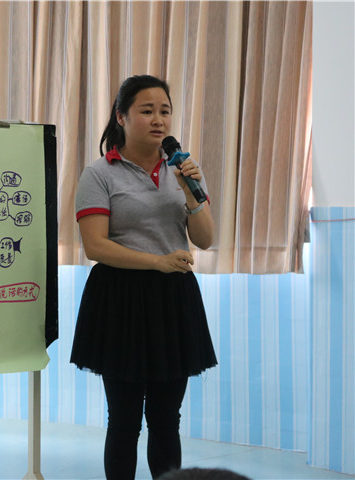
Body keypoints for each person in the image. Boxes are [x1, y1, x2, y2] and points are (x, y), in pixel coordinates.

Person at [70, 74, 218, 480]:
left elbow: (205, 239)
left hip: (173, 299)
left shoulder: (183, 169)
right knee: (124, 419)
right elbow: (95, 246)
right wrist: (156, 262)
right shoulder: (99, 174)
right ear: (121, 116)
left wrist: (189, 191)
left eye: (165, 111)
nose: (159, 120)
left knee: (167, 419)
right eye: (147, 111)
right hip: (119, 299)